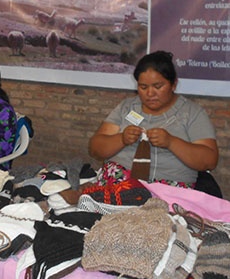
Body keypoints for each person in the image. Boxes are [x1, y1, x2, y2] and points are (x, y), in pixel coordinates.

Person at [88, 50, 218, 189]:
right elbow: (95, 149)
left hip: (168, 189)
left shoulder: (191, 113)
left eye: (158, 86)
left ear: (173, 84)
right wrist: (121, 139)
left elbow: (209, 161)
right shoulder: (127, 107)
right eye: (143, 87)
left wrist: (171, 142)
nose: (150, 93)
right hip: (117, 182)